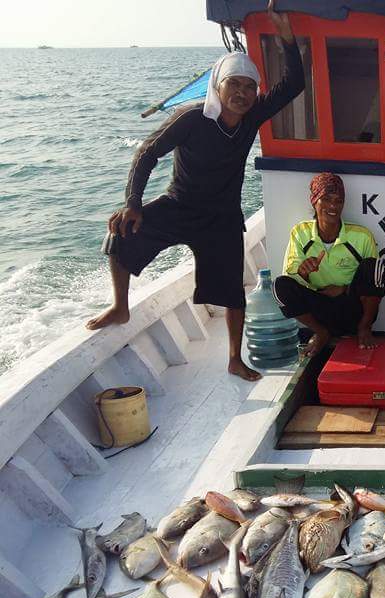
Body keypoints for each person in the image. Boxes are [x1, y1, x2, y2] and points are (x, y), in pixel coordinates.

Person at [85, 0, 304, 382]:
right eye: (233, 84)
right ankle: (120, 305)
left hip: (220, 217)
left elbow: (294, 85)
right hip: (180, 204)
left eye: (249, 86)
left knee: (235, 291)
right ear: (218, 87)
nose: (241, 92)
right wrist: (133, 204)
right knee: (120, 233)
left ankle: (235, 358)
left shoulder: (251, 117)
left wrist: (287, 40)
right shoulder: (190, 118)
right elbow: (147, 152)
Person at [274, 173, 385, 356]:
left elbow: (374, 279)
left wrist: (343, 289)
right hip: (320, 310)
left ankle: (364, 329)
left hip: (353, 309)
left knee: (374, 267)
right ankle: (321, 333)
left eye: (338, 200)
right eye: (326, 199)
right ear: (314, 201)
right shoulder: (300, 233)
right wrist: (302, 272)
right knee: (279, 286)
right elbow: (290, 276)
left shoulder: (361, 235)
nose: (333, 206)